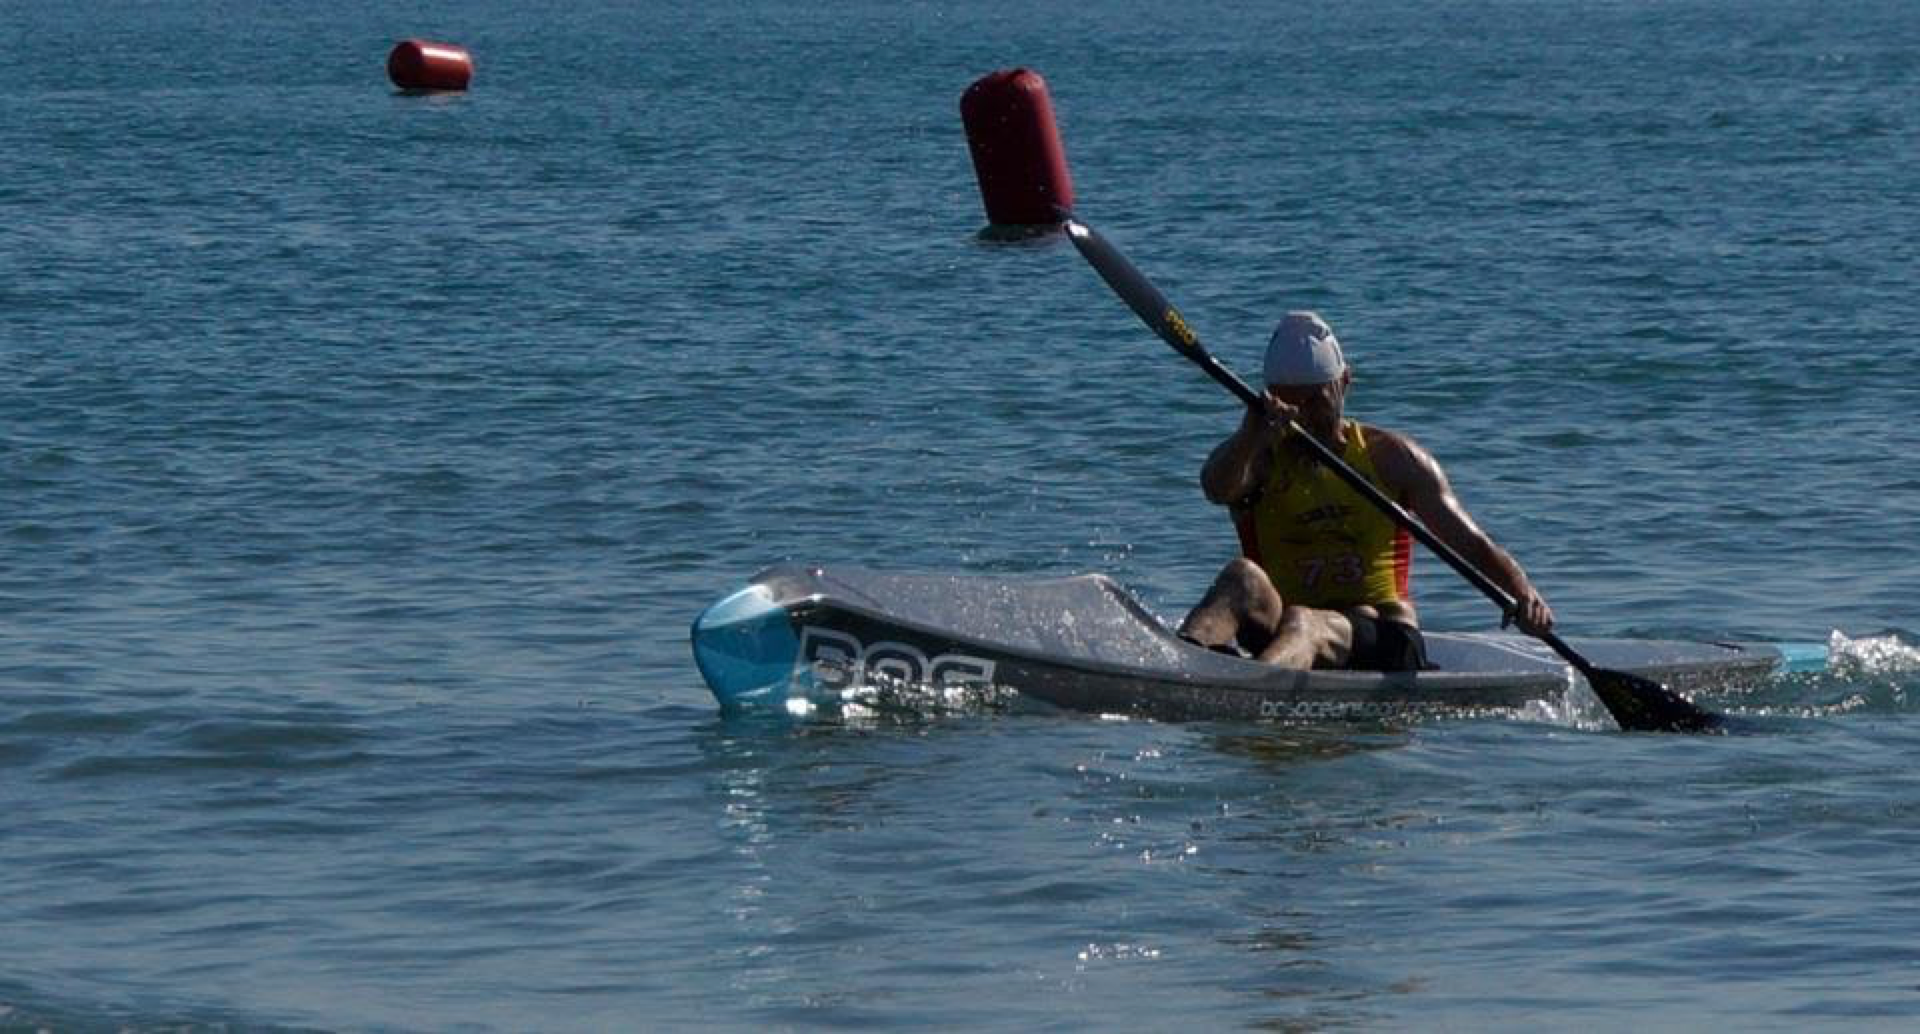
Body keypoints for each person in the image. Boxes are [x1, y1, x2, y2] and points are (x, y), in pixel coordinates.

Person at [1178, 311, 1555, 671]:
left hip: (1386, 639)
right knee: (1241, 577)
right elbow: (1216, 488)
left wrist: (1522, 593)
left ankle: (1252, 689)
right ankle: (1182, 665)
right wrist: (1249, 434)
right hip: (1283, 631)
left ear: (1344, 382)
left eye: (1315, 402)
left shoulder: (1392, 459)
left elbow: (1470, 543)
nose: (1303, 417)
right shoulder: (1255, 457)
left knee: (1306, 622)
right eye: (1290, 404)